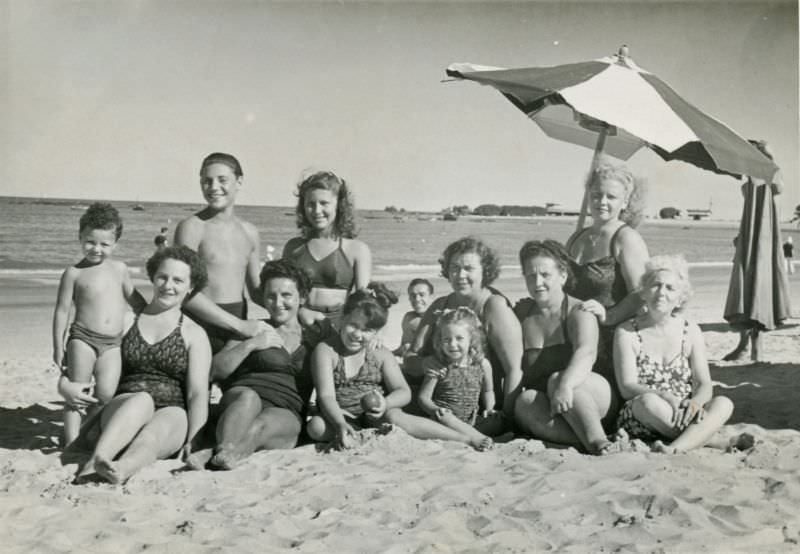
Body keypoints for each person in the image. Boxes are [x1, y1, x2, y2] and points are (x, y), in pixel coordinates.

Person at [74, 246, 212, 484]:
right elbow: (91, 360)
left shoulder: (194, 334)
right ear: (152, 278)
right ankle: (96, 460)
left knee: (154, 435)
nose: (168, 285)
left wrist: (195, 439)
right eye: (163, 277)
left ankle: (122, 469)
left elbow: (197, 392)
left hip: (173, 409)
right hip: (125, 406)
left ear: (190, 287)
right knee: (142, 400)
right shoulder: (127, 321)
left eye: (178, 280)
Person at [307, 283, 492, 451]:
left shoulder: (380, 354)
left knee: (394, 416)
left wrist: (385, 404)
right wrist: (339, 422)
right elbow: (326, 396)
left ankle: (463, 439)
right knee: (315, 427)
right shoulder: (326, 350)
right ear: (341, 319)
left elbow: (403, 391)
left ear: (376, 332)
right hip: (341, 414)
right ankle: (351, 431)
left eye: (367, 330)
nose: (357, 334)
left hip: (378, 416)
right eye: (353, 326)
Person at [187, 260, 334, 470]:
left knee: (261, 424)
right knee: (249, 398)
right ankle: (227, 450)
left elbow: (350, 342)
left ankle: (216, 452)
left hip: (287, 411)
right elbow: (214, 371)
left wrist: (376, 339)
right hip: (241, 401)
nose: (277, 302)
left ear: (302, 297)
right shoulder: (254, 328)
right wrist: (251, 345)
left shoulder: (316, 336)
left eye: (286, 295)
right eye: (271, 296)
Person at [615, 255, 733, 453]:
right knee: (648, 403)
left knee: (723, 403)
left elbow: (703, 383)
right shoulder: (627, 332)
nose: (661, 293)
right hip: (645, 413)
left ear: (680, 298)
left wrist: (695, 403)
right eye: (655, 285)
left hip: (686, 412)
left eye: (670, 288)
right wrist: (664, 395)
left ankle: (676, 447)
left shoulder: (691, 331)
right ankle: (707, 439)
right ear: (643, 292)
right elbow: (627, 387)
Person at [52, 203, 146, 445]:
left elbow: (135, 299)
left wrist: (151, 314)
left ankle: (86, 431)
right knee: (77, 392)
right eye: (90, 242)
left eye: (105, 244)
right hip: (82, 338)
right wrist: (57, 346)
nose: (97, 249)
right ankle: (72, 443)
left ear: (115, 244)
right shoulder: (74, 273)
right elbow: (62, 311)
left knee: (105, 394)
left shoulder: (120, 269)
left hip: (113, 343)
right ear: (80, 237)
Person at [512, 240, 615, 455]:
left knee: (557, 378)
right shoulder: (522, 313)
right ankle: (592, 443)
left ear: (563, 276)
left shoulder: (579, 310)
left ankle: (598, 440)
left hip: (590, 395)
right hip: (552, 405)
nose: (537, 282)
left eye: (545, 274)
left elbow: (586, 353)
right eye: (531, 275)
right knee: (524, 401)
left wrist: (565, 385)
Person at [404, 237, 522, 418]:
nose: (460, 275)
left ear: (485, 271)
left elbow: (514, 370)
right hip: (437, 402)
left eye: (469, 269)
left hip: (480, 407)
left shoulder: (494, 307)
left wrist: (508, 416)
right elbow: (411, 359)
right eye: (454, 268)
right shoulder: (439, 306)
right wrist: (424, 364)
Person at [566, 160, 650, 395]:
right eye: (596, 195)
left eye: (611, 197)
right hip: (576, 337)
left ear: (625, 202)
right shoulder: (577, 237)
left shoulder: (626, 238)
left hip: (611, 341)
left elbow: (642, 293)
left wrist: (609, 315)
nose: (601, 202)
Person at [174, 152, 268, 353]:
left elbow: (257, 291)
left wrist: (295, 308)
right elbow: (184, 290)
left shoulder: (250, 232)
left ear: (239, 181)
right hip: (199, 324)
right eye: (207, 181)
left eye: (222, 180)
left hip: (236, 327)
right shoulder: (192, 227)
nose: (214, 187)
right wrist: (238, 325)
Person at [723, 140, 792, 362]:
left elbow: (778, 186)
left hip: (764, 244)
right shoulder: (750, 182)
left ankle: (754, 347)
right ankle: (744, 344)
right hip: (750, 241)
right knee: (745, 289)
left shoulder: (771, 179)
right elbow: (750, 217)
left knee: (758, 291)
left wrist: (768, 156)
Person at [282, 170, 372, 328]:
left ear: (339, 205)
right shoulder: (294, 247)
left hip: (339, 326)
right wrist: (300, 312)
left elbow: (364, 301)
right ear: (303, 207)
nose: (317, 211)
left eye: (324, 203)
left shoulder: (357, 250)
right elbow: (280, 292)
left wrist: (377, 331)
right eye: (310, 204)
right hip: (298, 322)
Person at [417, 307, 495, 449]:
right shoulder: (439, 366)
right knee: (446, 418)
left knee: (499, 421)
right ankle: (476, 438)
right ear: (440, 341)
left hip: (471, 421)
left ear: (472, 338)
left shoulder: (482, 364)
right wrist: (435, 409)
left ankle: (471, 434)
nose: (453, 344)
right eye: (447, 339)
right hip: (444, 420)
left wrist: (490, 408)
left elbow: (488, 391)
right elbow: (423, 398)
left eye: (459, 338)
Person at [394, 278, 434, 356]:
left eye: (422, 295)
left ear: (431, 296)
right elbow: (402, 349)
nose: (417, 299)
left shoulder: (439, 319)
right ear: (409, 298)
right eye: (413, 296)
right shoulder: (409, 318)